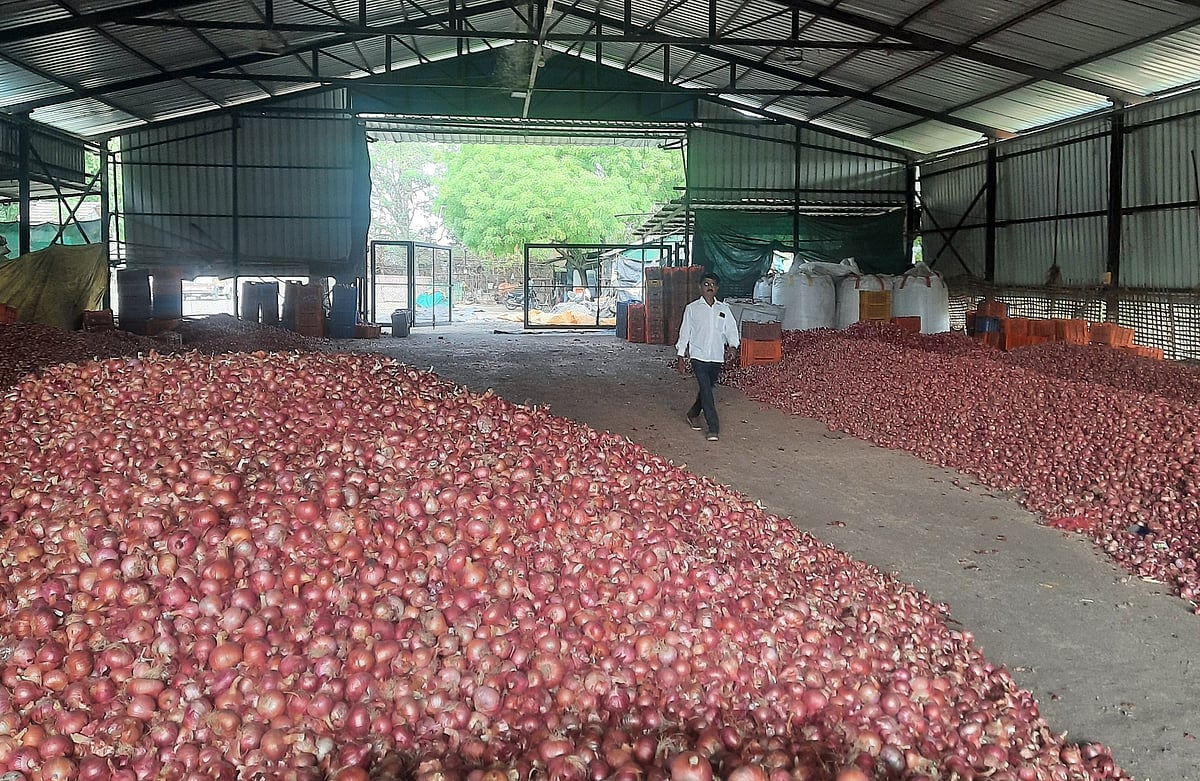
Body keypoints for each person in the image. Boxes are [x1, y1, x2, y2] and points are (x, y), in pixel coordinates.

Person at [675, 271, 740, 442]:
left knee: (706, 389)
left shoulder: (723, 309)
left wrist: (733, 345)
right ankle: (713, 427)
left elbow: (731, 330)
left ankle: (693, 413)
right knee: (706, 390)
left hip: (716, 357)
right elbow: (685, 332)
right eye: (706, 284)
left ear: (717, 288)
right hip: (698, 356)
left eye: (713, 284)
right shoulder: (692, 309)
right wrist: (681, 355)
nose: (710, 287)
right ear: (700, 287)